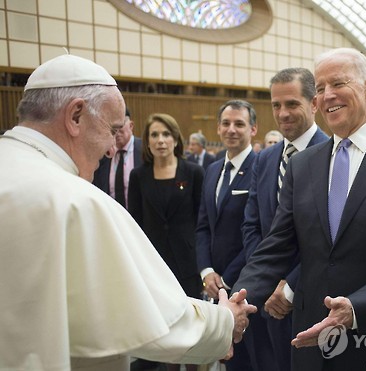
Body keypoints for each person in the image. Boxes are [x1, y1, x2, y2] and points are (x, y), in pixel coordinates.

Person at [0, 54, 256, 371]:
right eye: (112, 129)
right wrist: (224, 322)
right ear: (75, 116)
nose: (112, 148)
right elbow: (145, 319)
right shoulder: (76, 200)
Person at [233, 48, 366, 370]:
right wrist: (238, 300)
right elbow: (277, 246)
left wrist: (356, 309)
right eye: (319, 88)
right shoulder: (302, 165)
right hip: (309, 342)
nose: (327, 95)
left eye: (338, 83)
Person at [242, 67, 329, 371]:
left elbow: (331, 237)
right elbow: (252, 225)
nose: (283, 113)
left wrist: (289, 284)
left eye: (292, 104)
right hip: (269, 301)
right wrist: (268, 281)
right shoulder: (265, 159)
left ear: (314, 103)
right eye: (276, 105)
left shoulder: (334, 155)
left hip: (314, 298)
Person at [196, 100, 276, 371]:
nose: (232, 129)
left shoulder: (261, 169)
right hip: (214, 282)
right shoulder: (212, 170)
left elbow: (258, 232)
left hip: (246, 285)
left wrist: (227, 280)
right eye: (226, 124)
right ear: (218, 128)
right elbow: (204, 226)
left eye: (239, 124)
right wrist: (206, 271)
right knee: (230, 360)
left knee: (257, 360)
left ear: (253, 129)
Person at [128, 113, 205, 371]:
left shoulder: (193, 172)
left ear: (175, 139)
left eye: (166, 134)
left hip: (188, 261)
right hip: (155, 263)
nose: (160, 140)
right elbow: (136, 222)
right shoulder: (139, 176)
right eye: (154, 135)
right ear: (147, 142)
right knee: (166, 327)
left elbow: (200, 219)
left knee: (192, 326)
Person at [92, 107, 142, 208]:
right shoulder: (103, 154)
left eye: (120, 125)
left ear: (131, 126)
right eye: (112, 127)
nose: (117, 131)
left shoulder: (145, 151)